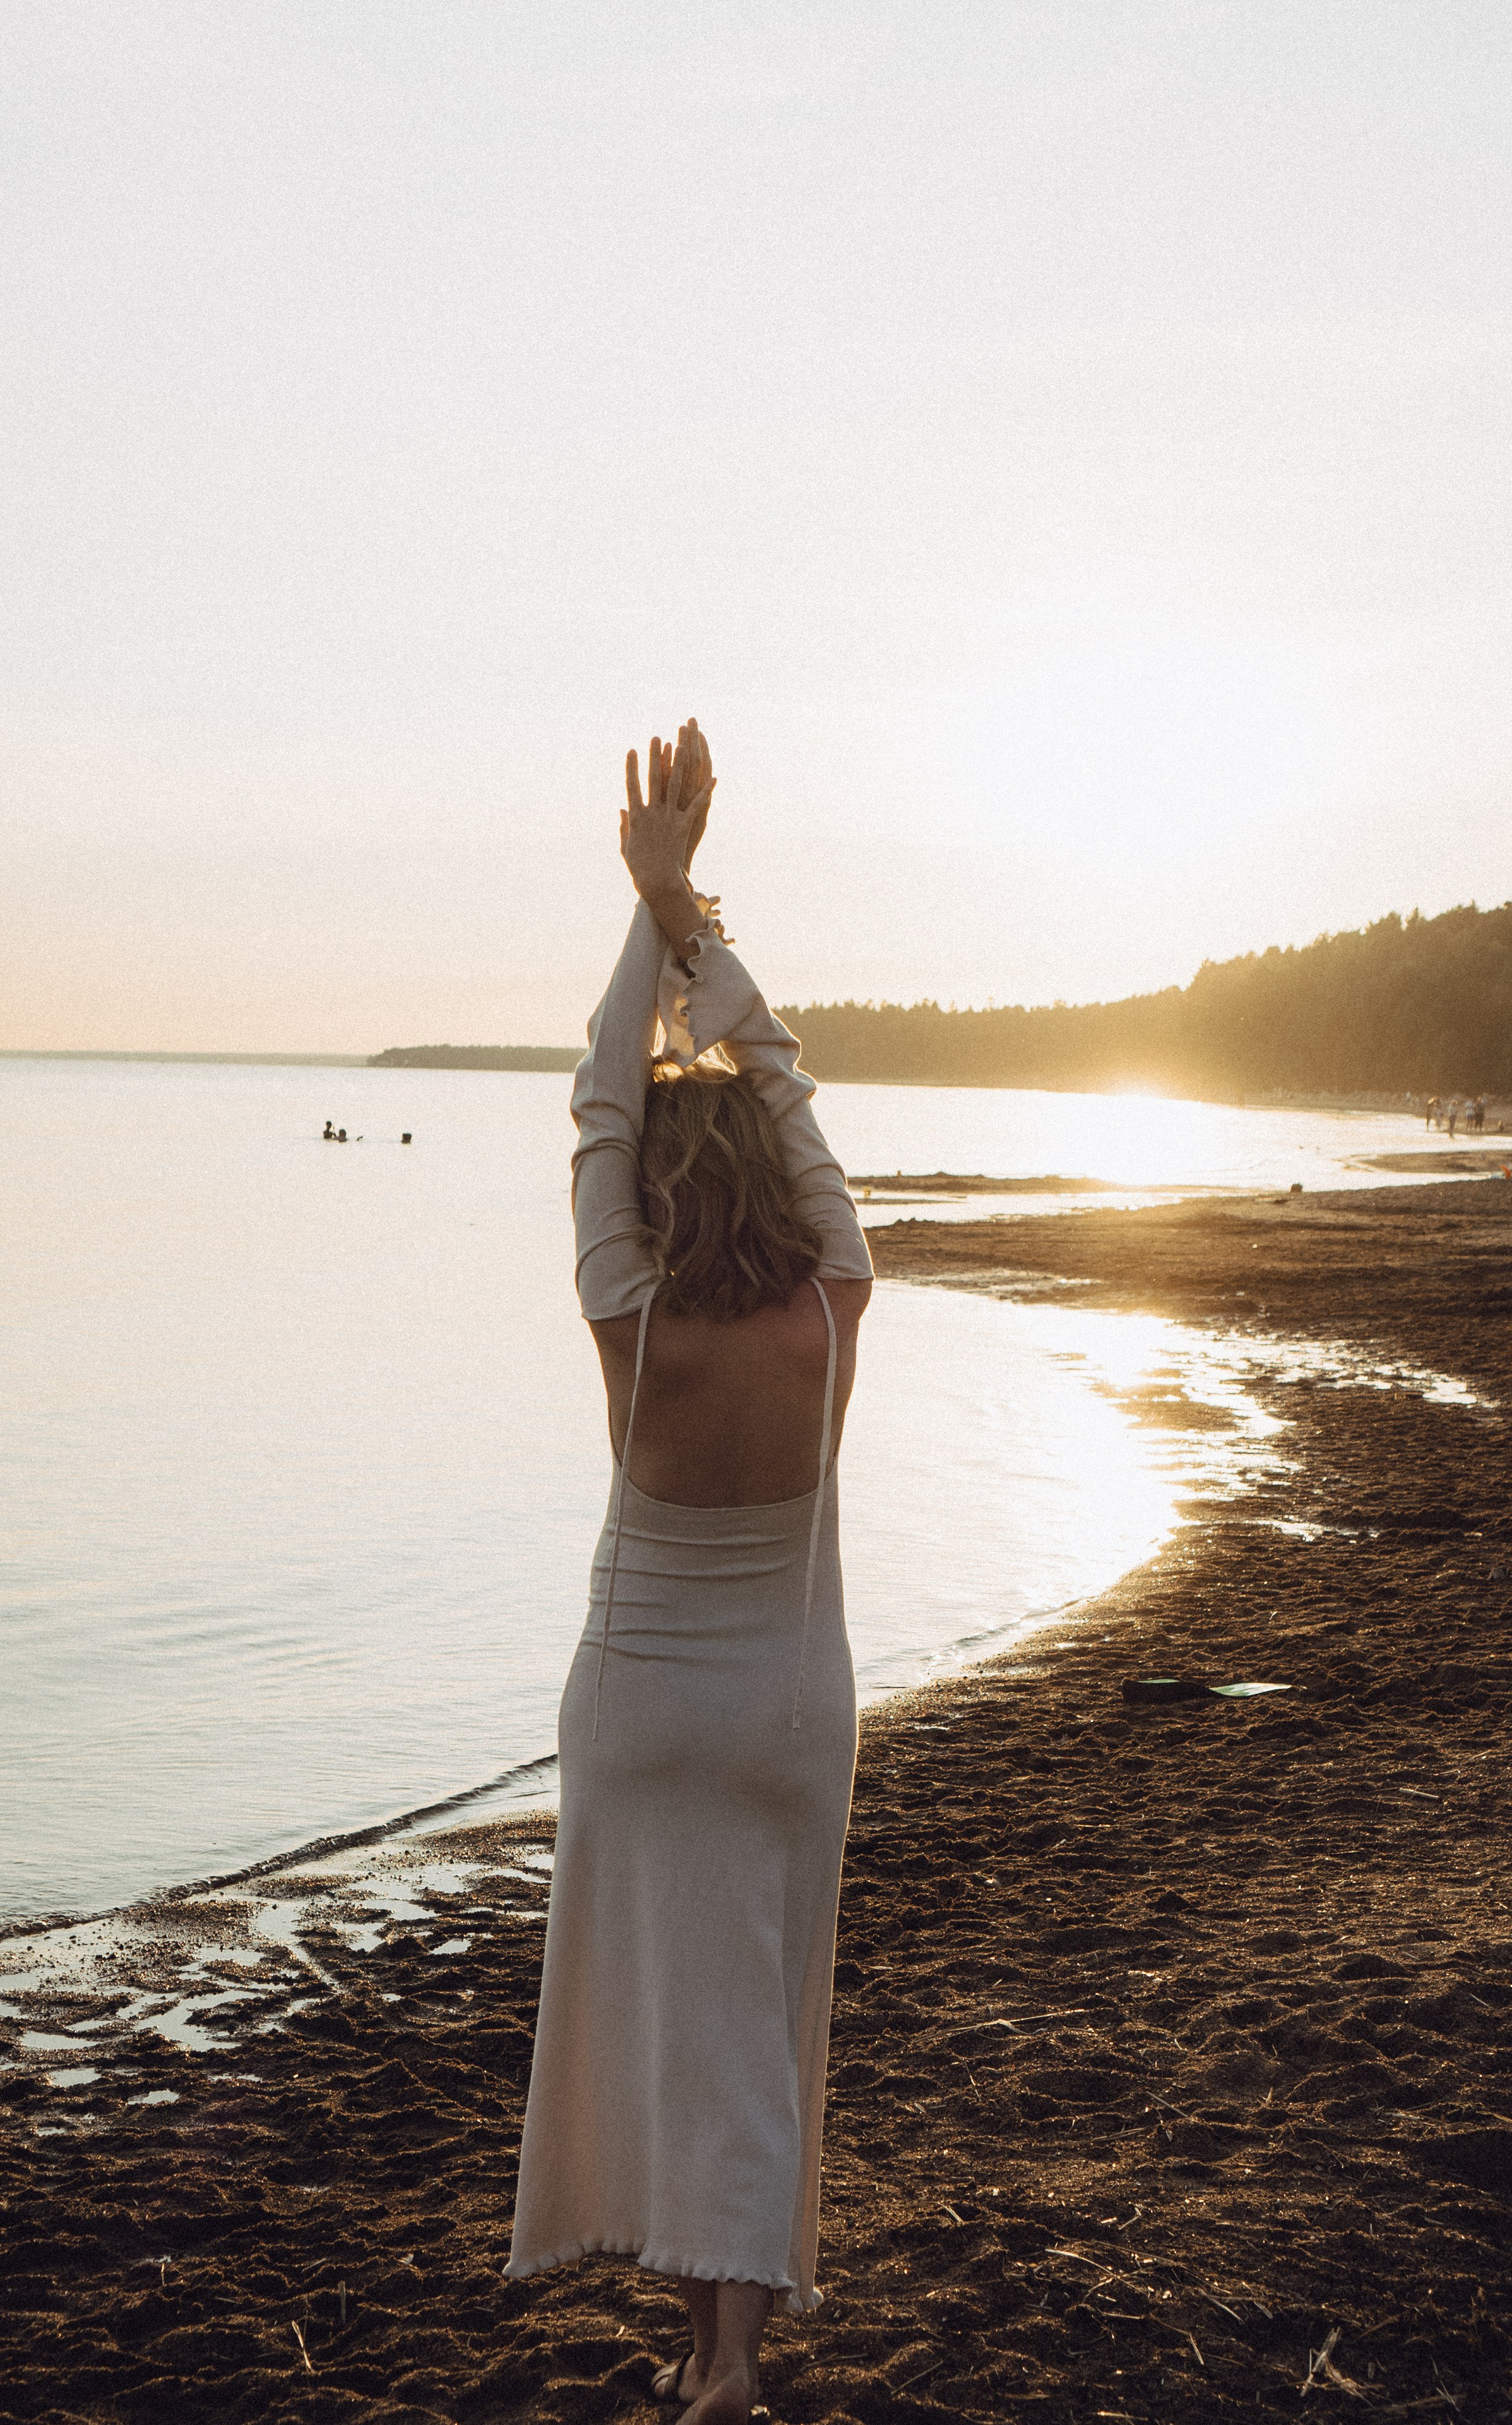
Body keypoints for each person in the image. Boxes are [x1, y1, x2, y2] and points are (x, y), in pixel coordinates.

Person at [505, 721, 874, 2424]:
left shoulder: (630, 1321)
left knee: (664, 2020)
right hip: (785, 1713)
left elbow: (595, 1097)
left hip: (643, 1711)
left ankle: (695, 2346)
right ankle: (729, 2357)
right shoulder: (830, 1309)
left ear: (654, 1195)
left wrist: (644, 907)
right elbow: (784, 1087)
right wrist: (700, 929)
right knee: (757, 2026)